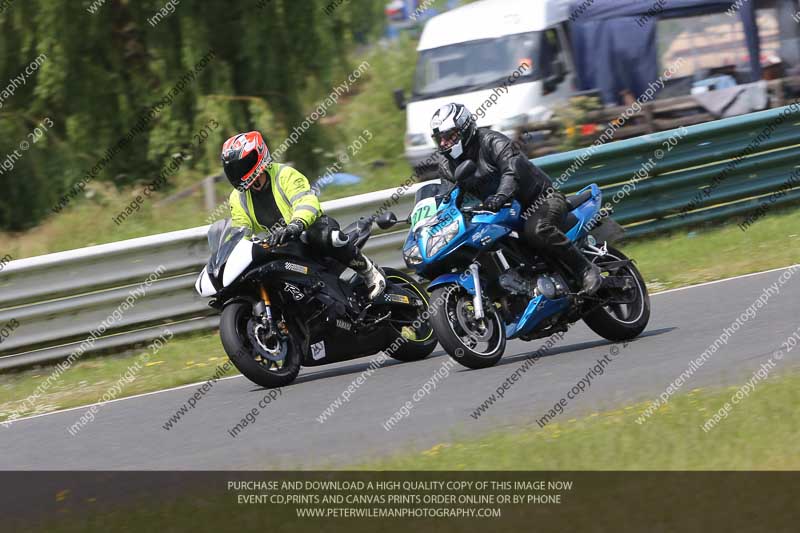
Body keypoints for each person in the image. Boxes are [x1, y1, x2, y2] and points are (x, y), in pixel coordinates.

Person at [430, 103, 602, 295]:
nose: (444, 143)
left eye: (449, 136)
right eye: (440, 139)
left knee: (537, 230)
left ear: (465, 129)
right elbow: (447, 196)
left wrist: (501, 195)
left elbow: (512, 170)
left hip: (539, 200)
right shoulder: (446, 166)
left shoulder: (491, 141)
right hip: (501, 211)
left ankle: (585, 269)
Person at [220, 131, 385, 299]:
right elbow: (240, 230)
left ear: (258, 155)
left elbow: (306, 201)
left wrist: (296, 224)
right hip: (281, 243)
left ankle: (370, 272)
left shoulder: (285, 175)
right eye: (232, 169)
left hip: (309, 230)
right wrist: (229, 251)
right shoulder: (237, 197)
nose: (238, 173)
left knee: (326, 236)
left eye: (242, 165)